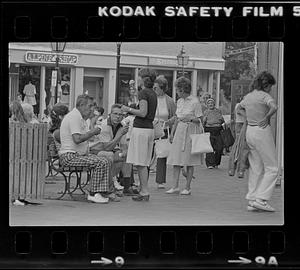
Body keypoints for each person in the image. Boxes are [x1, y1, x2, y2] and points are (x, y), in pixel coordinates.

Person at [59, 94, 115, 204]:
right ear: (81, 105)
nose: (92, 109)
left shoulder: (81, 118)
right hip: (69, 156)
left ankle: (100, 192)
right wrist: (93, 131)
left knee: (105, 159)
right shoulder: (74, 117)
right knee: (101, 161)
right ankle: (93, 193)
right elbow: (77, 139)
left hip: (77, 155)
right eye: (90, 106)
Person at [236, 71, 278, 212]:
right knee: (272, 168)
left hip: (250, 131)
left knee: (256, 167)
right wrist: (266, 117)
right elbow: (274, 107)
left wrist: (246, 116)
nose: (271, 89)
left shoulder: (248, 96)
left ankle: (252, 200)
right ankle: (261, 199)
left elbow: (238, 107)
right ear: (267, 85)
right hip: (262, 131)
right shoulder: (265, 96)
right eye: (270, 86)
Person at [121, 68, 158, 201]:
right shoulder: (152, 93)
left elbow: (143, 112)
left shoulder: (144, 92)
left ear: (143, 78)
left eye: (139, 76)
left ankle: (144, 191)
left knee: (140, 163)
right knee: (144, 162)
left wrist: (128, 109)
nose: (137, 78)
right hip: (149, 129)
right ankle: (143, 190)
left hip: (141, 129)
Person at [89, 104, 138, 196]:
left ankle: (127, 186)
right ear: (110, 114)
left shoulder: (122, 125)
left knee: (126, 155)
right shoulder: (104, 125)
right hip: (96, 150)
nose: (118, 116)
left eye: (120, 115)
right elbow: (107, 147)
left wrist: (124, 152)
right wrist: (119, 135)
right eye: (115, 114)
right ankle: (109, 187)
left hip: (110, 150)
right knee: (110, 156)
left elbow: (123, 145)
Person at [166, 77, 203, 195]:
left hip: (190, 130)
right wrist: (172, 133)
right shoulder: (180, 101)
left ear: (182, 89)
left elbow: (200, 119)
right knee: (176, 159)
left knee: (189, 160)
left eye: (177, 89)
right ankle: (175, 186)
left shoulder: (195, 102)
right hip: (180, 130)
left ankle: (187, 187)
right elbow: (177, 118)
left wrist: (191, 118)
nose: (176, 91)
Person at [153, 75, 176, 189]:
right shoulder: (151, 98)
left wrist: (168, 123)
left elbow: (175, 116)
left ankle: (160, 180)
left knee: (161, 154)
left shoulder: (170, 101)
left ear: (162, 88)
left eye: (156, 88)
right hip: (151, 127)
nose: (154, 90)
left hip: (163, 129)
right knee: (148, 153)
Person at [202, 98, 225, 169]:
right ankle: (210, 164)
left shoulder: (218, 111)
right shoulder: (205, 112)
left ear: (214, 104)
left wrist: (221, 119)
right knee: (209, 147)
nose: (210, 104)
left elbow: (222, 120)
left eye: (212, 103)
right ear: (207, 105)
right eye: (209, 103)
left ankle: (216, 162)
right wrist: (204, 120)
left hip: (218, 130)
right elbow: (203, 123)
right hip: (209, 130)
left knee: (219, 147)